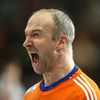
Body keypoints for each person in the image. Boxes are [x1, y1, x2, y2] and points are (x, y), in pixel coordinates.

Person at [23, 9, 100, 100]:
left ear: (61, 42)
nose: (25, 43)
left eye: (36, 35)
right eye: (26, 35)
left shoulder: (83, 94)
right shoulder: (29, 95)